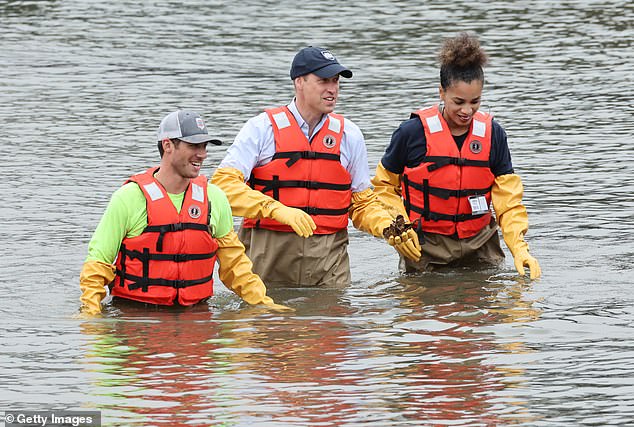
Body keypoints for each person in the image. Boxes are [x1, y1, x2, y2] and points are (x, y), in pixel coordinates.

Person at [211, 46, 421, 287]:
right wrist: (276, 209)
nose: (332, 89)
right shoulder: (261, 129)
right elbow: (222, 187)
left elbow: (361, 202)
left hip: (329, 260)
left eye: (335, 81)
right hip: (268, 254)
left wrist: (386, 226)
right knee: (267, 323)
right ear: (299, 82)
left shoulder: (350, 135)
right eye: (323, 81)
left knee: (332, 321)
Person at [78, 110, 288, 316]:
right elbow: (98, 264)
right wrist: (91, 315)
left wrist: (264, 306)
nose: (202, 154)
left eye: (204, 146)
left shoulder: (214, 198)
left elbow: (235, 266)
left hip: (197, 315)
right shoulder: (129, 198)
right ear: (168, 145)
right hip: (136, 316)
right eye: (194, 145)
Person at [371, 33, 542, 279]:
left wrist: (519, 248)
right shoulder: (411, 133)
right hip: (426, 246)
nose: (467, 110)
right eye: (458, 101)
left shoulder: (494, 135)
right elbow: (384, 187)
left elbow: (508, 200)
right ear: (441, 92)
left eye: (476, 101)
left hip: (482, 244)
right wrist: (400, 226)